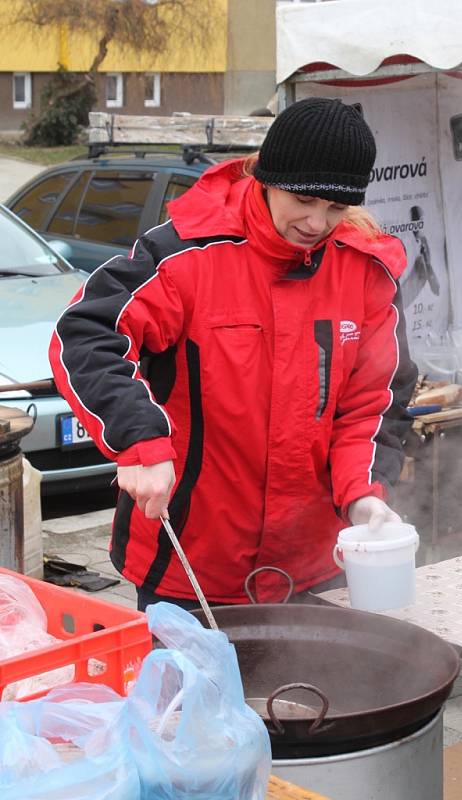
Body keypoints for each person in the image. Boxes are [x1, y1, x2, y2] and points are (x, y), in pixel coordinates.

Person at [49, 97, 418, 610]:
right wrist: (138, 439)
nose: (317, 222)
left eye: (336, 208)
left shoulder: (366, 273)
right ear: (269, 179)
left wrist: (362, 494)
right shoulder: (186, 255)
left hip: (313, 564)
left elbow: (373, 402)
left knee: (312, 692)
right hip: (188, 562)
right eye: (304, 201)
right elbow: (89, 333)